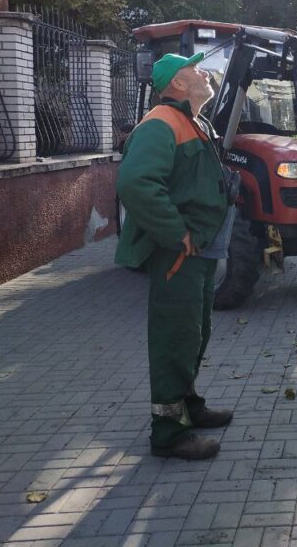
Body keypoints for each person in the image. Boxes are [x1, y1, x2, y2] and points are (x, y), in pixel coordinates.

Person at [115, 53, 234, 460]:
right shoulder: (160, 124)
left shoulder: (194, 121)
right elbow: (136, 183)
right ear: (178, 85)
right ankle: (168, 431)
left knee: (194, 333)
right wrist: (175, 232)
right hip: (178, 253)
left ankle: (189, 405)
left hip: (198, 250)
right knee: (173, 338)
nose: (204, 73)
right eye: (196, 68)